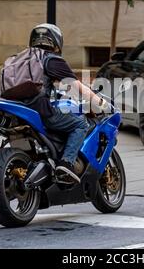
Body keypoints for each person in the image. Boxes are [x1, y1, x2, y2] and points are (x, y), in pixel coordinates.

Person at [26, 24, 109, 183]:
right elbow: (76, 86)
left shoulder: (21, 58)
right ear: (56, 42)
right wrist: (100, 102)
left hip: (17, 107)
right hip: (39, 110)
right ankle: (66, 164)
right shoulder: (51, 59)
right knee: (80, 124)